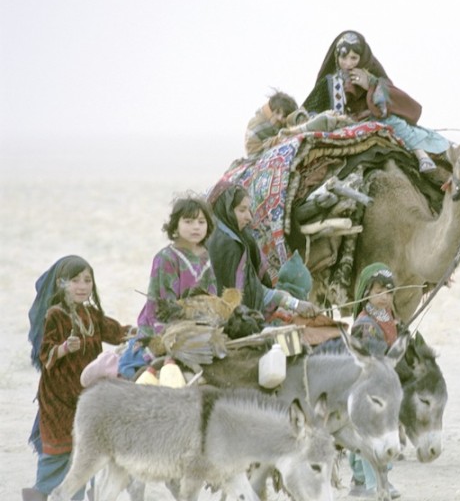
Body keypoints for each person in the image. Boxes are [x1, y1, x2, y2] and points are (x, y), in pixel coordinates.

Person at [23, 255, 132, 501]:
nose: (82, 286)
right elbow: (44, 353)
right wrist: (62, 349)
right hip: (58, 397)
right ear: (61, 284)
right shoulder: (55, 315)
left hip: (85, 395)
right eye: (75, 280)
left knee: (95, 448)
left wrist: (139, 332)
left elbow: (115, 331)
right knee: (58, 452)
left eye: (87, 280)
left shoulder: (91, 314)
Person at [302, 30, 449, 173]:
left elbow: (391, 99)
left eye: (354, 58)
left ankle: (421, 154)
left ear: (362, 57)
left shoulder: (372, 73)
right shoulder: (328, 82)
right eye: (344, 57)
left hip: (370, 119)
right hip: (339, 126)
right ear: (336, 56)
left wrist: (371, 85)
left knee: (394, 122)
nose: (348, 63)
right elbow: (310, 108)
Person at [118, 194, 218, 379]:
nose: (196, 226)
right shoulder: (166, 258)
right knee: (139, 366)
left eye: (201, 221)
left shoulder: (205, 257)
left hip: (196, 326)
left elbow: (211, 297)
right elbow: (162, 306)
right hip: (164, 326)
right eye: (188, 221)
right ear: (175, 226)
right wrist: (171, 335)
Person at [207, 181, 317, 319]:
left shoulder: (238, 237)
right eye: (242, 210)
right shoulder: (226, 245)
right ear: (226, 210)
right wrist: (293, 303)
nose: (249, 216)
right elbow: (246, 291)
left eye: (248, 209)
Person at [347, 262, 402, 499]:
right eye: (379, 291)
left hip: (381, 388)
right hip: (368, 389)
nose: (384, 297)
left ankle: (359, 480)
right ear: (366, 292)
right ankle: (375, 484)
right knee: (372, 435)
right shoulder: (365, 325)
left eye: (389, 292)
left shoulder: (388, 320)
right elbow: (373, 362)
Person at [244, 89, 349, 158]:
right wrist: (285, 135)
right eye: (277, 112)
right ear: (270, 109)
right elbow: (255, 153)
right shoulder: (256, 124)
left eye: (284, 115)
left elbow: (293, 120)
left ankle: (327, 121)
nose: (280, 118)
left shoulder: (283, 123)